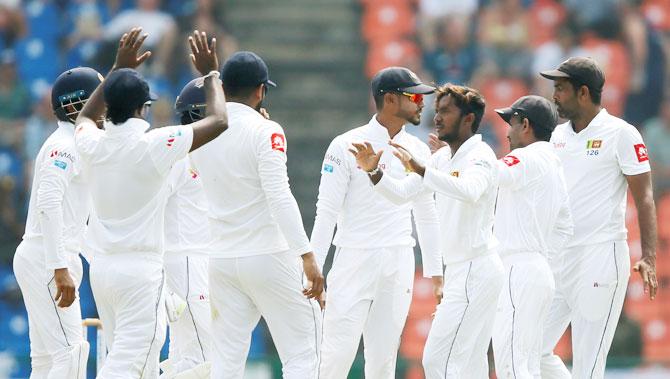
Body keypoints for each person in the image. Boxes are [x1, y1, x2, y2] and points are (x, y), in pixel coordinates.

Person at [74, 28, 227, 378]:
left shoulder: (93, 143)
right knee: (132, 364)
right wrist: (211, 73)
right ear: (144, 109)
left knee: (130, 361)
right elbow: (219, 121)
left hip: (103, 272)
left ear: (108, 107)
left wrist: (116, 68)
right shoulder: (154, 145)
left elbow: (84, 117)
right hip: (140, 271)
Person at [350, 84, 504, 378]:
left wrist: (422, 170)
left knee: (437, 361)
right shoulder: (443, 158)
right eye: (437, 110)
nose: (437, 117)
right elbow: (402, 193)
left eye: (446, 111)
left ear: (468, 119)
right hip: (461, 270)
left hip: (477, 268)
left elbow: (470, 191)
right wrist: (374, 172)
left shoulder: (480, 154)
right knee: (470, 367)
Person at [188, 51, 323, 379]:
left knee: (226, 362)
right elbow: (278, 195)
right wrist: (306, 254)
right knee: (304, 352)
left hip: (220, 258)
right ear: (261, 90)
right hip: (266, 253)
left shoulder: (200, 133)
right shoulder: (266, 130)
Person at [311, 66, 441, 379]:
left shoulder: (419, 150)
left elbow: (426, 213)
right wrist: (313, 267)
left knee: (383, 362)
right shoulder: (346, 145)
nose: (422, 103)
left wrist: (436, 272)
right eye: (414, 96)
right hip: (354, 257)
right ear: (391, 100)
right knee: (335, 357)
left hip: (398, 260)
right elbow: (326, 211)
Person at [539, 57, 658, 378]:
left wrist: (648, 256)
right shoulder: (555, 136)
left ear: (582, 92)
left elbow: (644, 197)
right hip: (559, 257)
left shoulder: (621, 133)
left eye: (561, 89)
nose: (555, 96)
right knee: (531, 351)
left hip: (600, 256)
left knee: (588, 363)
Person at [13, 66, 102, 378]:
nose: (105, 107)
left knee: (47, 360)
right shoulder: (62, 146)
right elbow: (47, 205)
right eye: (99, 99)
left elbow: (78, 222)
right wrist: (58, 266)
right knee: (71, 354)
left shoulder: (78, 145)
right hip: (48, 258)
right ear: (76, 104)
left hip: (52, 256)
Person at [491, 95, 573, 378]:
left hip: (518, 269)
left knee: (511, 364)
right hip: (538, 271)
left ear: (525, 124)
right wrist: (540, 260)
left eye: (511, 123)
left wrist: (454, 157)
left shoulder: (525, 156)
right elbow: (565, 228)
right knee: (528, 365)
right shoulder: (554, 165)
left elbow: (490, 175)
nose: (507, 131)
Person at [158, 77, 214, 378]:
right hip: (184, 261)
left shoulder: (211, 152)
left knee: (184, 356)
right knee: (202, 359)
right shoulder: (177, 152)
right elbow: (152, 208)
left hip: (203, 259)